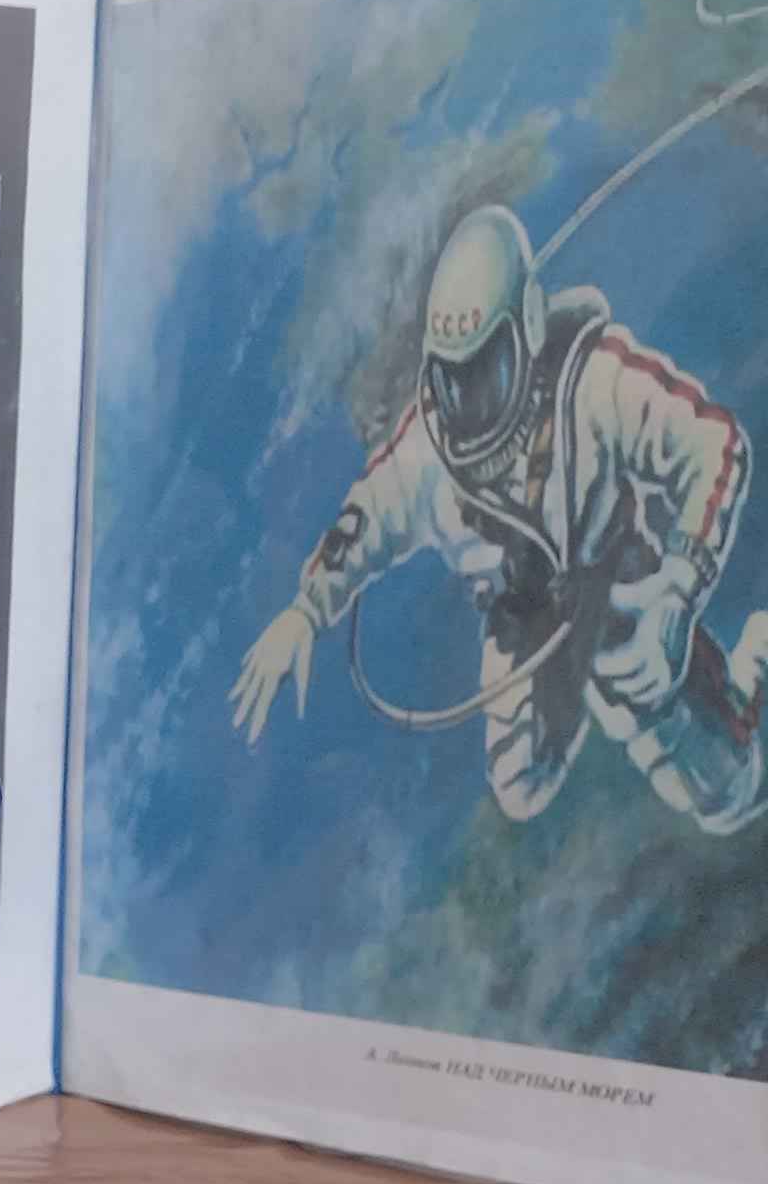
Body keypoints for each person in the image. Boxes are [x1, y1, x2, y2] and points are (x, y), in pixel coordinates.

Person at [232, 203, 768, 833]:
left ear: (529, 329)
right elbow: (364, 518)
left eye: (489, 371)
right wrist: (305, 610)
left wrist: (676, 593)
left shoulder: (594, 382)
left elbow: (714, 444)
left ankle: (754, 667)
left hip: (617, 579)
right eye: (453, 381)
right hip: (525, 617)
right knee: (519, 785)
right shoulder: (426, 454)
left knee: (722, 791)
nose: (469, 403)